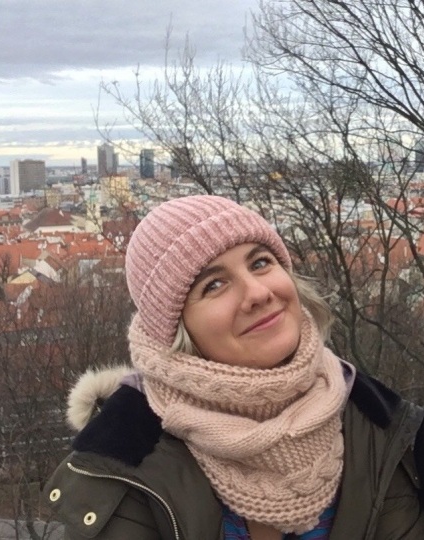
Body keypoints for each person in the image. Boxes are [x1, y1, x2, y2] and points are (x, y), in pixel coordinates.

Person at [45, 195, 424, 539]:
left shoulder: (385, 427)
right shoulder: (123, 459)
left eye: (261, 262)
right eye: (213, 285)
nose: (258, 293)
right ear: (175, 330)